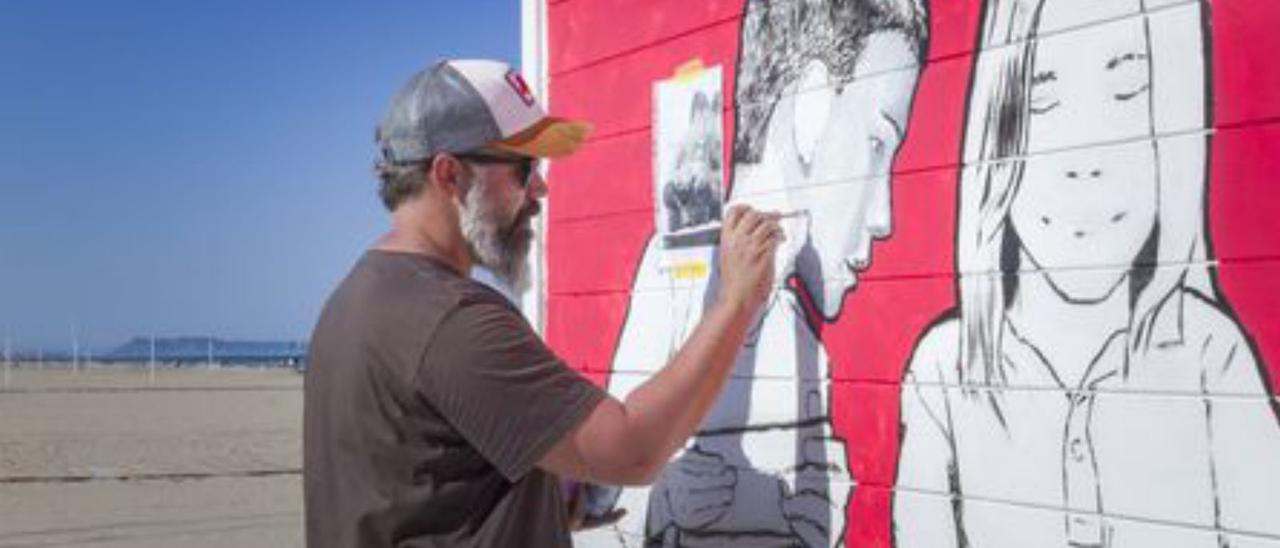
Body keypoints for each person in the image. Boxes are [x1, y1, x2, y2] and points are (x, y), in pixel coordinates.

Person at [302, 59, 785, 547]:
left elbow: (416, 488)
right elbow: (634, 451)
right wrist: (736, 302)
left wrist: (538, 496)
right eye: (523, 167)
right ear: (449, 175)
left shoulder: (354, 300)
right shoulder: (454, 321)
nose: (540, 189)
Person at [893, 0, 1280, 546]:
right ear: (997, 135)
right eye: (1042, 98)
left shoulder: (1209, 355)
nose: (1086, 154)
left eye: (1129, 90)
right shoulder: (944, 372)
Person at [598, 0, 929, 545]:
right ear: (811, 109)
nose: (883, 217)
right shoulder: (674, 277)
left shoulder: (802, 331)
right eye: (876, 144)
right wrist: (663, 495)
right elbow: (604, 485)